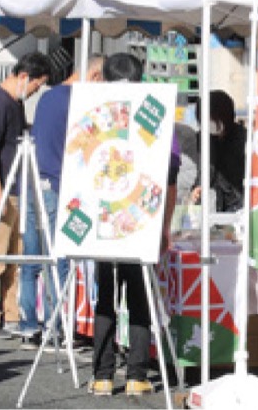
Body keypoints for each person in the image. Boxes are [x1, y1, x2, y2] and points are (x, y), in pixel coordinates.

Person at [89, 53, 179, 397]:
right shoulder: (155, 114)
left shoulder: (93, 112)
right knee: (139, 297)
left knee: (106, 295)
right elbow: (170, 178)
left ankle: (102, 376)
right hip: (142, 219)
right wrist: (165, 227)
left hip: (103, 220)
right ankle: (136, 376)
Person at [18, 55, 105, 348]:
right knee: (59, 261)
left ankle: (29, 327)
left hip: (32, 181)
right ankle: (54, 328)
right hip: (57, 185)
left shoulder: (46, 97)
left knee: (31, 260)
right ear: (94, 76)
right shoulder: (78, 102)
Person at [0, 52, 52, 339]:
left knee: (13, 255)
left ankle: (10, 315)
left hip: (15, 189)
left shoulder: (15, 103)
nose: (35, 92)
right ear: (24, 76)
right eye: (36, 85)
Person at [191, 89, 247, 212]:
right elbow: (201, 169)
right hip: (211, 207)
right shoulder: (201, 138)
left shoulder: (244, 139)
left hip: (239, 207)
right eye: (205, 120)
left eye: (213, 119)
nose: (210, 123)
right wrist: (197, 187)